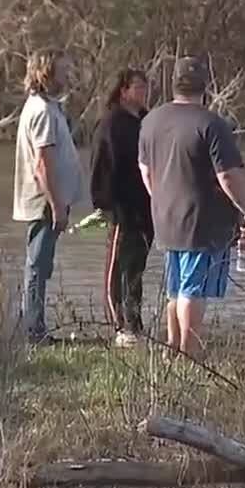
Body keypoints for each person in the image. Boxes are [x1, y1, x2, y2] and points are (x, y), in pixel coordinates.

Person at [138, 54, 245, 360]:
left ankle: (173, 349)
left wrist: (161, 198)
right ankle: (189, 355)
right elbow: (228, 175)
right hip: (201, 221)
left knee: (175, 288)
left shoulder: (151, 121)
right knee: (193, 289)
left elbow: (145, 171)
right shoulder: (212, 124)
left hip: (165, 217)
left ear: (173, 83)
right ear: (205, 86)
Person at [12, 49, 86, 346]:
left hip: (50, 200)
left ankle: (32, 325)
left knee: (41, 265)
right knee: (37, 266)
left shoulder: (47, 106)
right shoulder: (41, 111)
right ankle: (33, 331)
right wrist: (57, 207)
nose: (67, 77)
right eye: (62, 71)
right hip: (44, 201)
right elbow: (42, 164)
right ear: (46, 73)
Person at [89, 67, 153, 349]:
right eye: (137, 86)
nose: (142, 92)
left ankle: (134, 322)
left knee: (136, 267)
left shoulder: (146, 120)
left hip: (146, 205)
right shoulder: (111, 123)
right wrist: (103, 204)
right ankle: (119, 326)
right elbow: (101, 166)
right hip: (121, 207)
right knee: (118, 267)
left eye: (145, 86)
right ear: (123, 89)